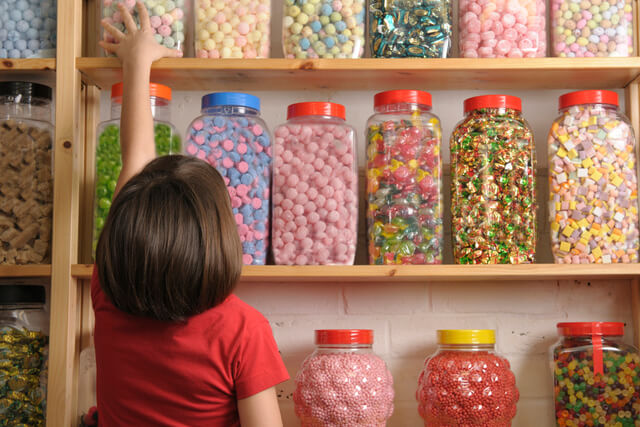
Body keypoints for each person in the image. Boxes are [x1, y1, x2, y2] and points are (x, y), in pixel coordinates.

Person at [91, 3, 289, 425]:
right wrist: (139, 62)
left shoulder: (108, 295)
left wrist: (137, 59)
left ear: (128, 232)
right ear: (221, 235)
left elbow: (136, 160)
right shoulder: (241, 329)